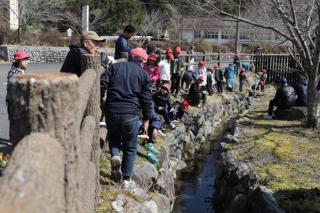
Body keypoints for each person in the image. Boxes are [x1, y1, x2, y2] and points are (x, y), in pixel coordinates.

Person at [100, 48, 152, 185]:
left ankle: (115, 156)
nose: (144, 64)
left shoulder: (114, 67)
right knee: (130, 147)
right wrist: (147, 118)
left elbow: (102, 83)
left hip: (112, 110)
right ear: (140, 61)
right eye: (144, 62)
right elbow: (146, 100)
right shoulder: (144, 75)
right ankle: (126, 180)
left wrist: (101, 101)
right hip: (130, 113)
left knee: (114, 138)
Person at [7, 50, 30, 118]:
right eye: (23, 60)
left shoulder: (22, 70)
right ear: (18, 61)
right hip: (15, 101)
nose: (26, 61)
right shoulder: (14, 72)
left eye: (27, 59)